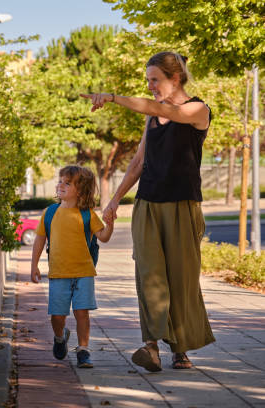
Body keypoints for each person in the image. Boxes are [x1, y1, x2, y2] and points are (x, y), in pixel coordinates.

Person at [80, 51, 215, 372]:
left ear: (175, 78)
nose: (151, 86)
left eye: (155, 80)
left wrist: (112, 97)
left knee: (181, 278)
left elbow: (160, 106)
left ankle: (180, 348)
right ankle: (151, 345)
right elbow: (140, 161)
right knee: (149, 274)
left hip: (183, 205)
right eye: (148, 81)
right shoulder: (152, 118)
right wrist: (114, 200)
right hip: (148, 204)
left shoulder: (198, 110)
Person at [30, 165, 114, 368]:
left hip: (84, 272)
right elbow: (40, 239)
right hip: (58, 273)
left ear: (81, 190)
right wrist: (34, 265)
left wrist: (109, 223)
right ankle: (60, 337)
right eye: (60, 181)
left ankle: (83, 350)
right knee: (57, 316)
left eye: (67, 183)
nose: (60, 185)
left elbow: (103, 237)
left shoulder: (87, 214)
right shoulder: (49, 213)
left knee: (82, 313)